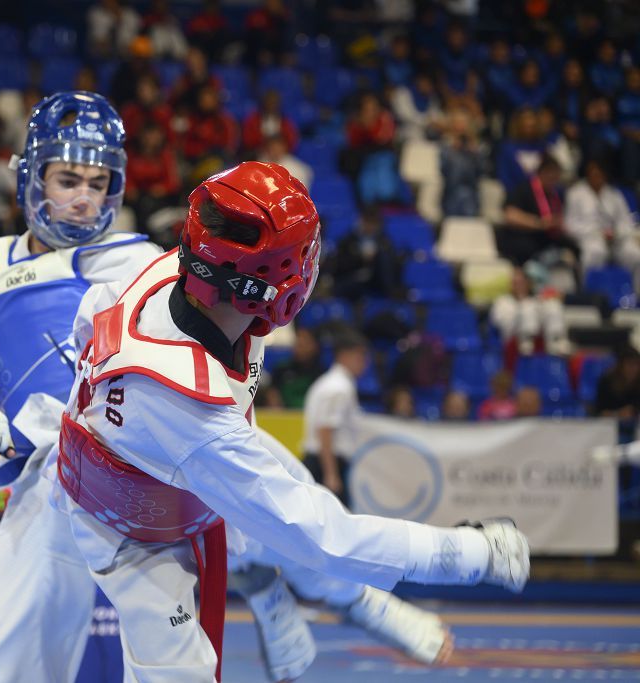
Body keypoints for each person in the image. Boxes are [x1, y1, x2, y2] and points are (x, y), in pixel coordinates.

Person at [53, 162, 529, 681]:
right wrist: (466, 553)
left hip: (165, 448)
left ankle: (346, 598)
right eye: (300, 256)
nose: (308, 266)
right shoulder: (194, 409)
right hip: (132, 527)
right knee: (183, 666)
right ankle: (276, 587)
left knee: (289, 492)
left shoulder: (174, 271)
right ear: (266, 278)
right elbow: (322, 537)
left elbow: (91, 315)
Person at [0, 91, 161, 683]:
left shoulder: (142, 260)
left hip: (142, 470)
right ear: (32, 179)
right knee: (6, 668)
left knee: (170, 661)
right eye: (68, 178)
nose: (83, 197)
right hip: (47, 478)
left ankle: (341, 597)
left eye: (98, 183)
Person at [301, 327, 368, 506]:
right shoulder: (337, 387)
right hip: (325, 464)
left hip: (324, 462)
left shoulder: (334, 383)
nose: (364, 363)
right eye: (360, 357)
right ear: (344, 355)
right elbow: (325, 430)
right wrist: (331, 474)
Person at [564, 158, 640, 274]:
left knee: (634, 254)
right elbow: (569, 225)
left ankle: (636, 290)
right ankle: (590, 291)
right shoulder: (575, 194)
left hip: (616, 239)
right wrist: (597, 232)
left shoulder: (614, 194)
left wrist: (616, 233)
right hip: (590, 238)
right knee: (595, 252)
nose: (596, 177)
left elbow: (626, 222)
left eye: (599, 174)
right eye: (593, 174)